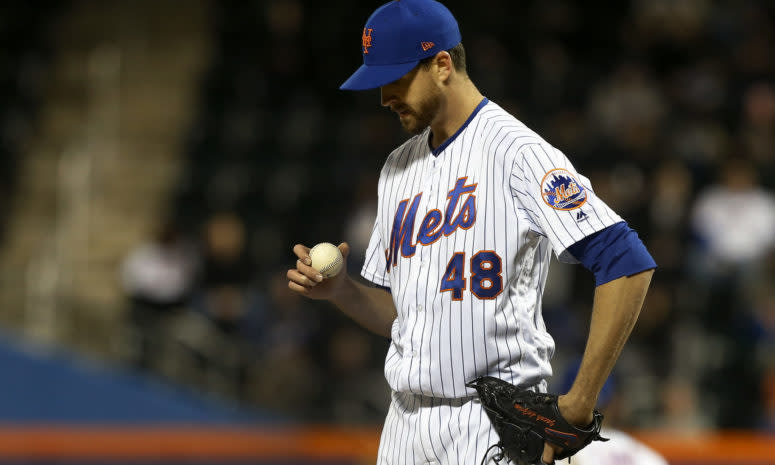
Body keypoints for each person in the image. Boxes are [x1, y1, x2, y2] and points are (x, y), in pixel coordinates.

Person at [286, 1, 656, 464]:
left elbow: (626, 261)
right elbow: (408, 320)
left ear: (442, 64)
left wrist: (579, 403)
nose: (384, 98)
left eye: (396, 79)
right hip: (403, 423)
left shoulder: (518, 152)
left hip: (492, 424)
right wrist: (342, 291)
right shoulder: (395, 168)